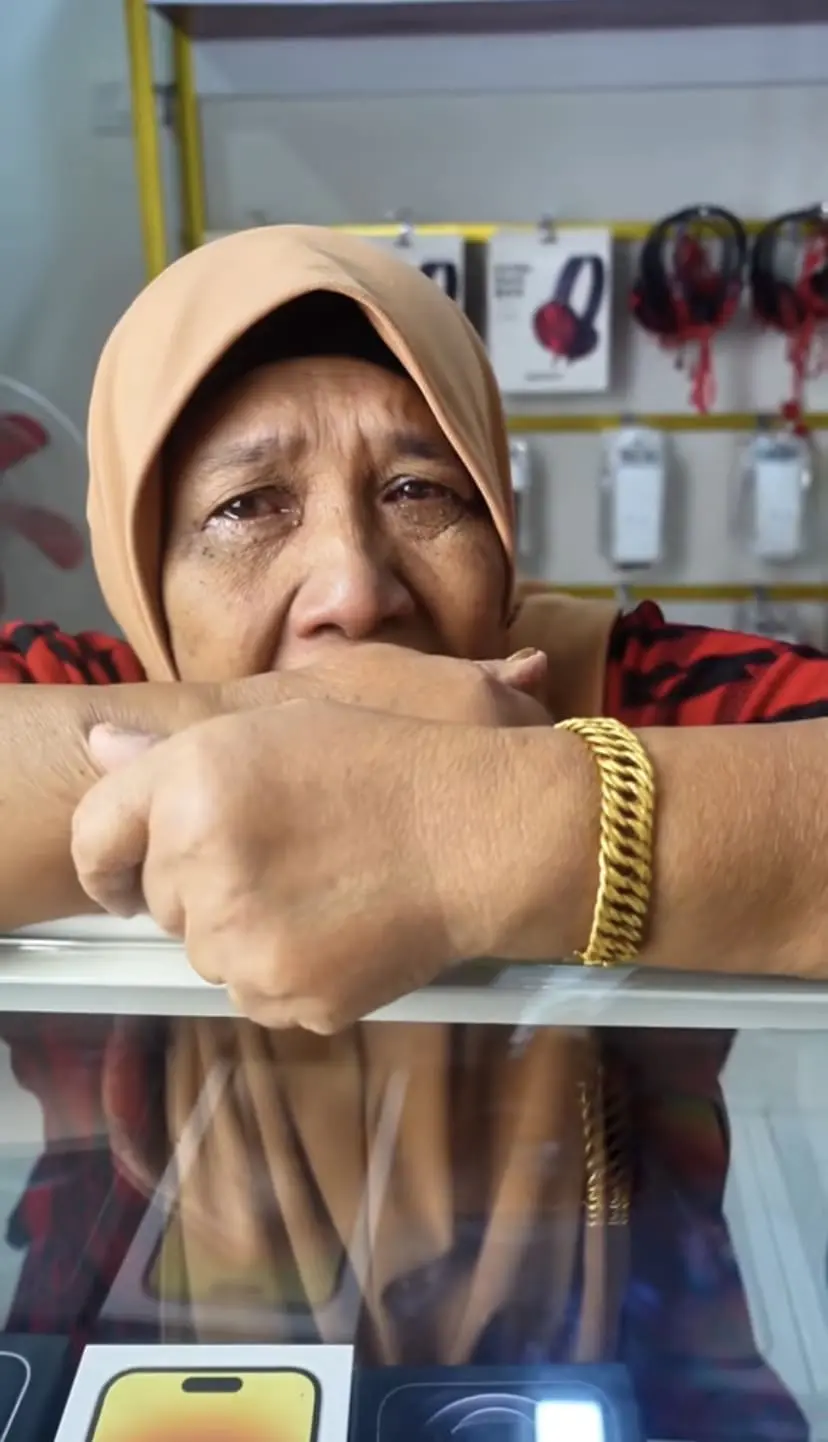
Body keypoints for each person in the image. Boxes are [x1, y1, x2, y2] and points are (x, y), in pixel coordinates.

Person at [0, 226, 823, 1436]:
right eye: (246, 506)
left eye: (419, 491)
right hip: (125, 1356)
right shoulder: (84, 687)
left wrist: (487, 815)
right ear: (142, 570)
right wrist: (307, 724)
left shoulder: (627, 685)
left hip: (638, 1356)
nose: (354, 588)